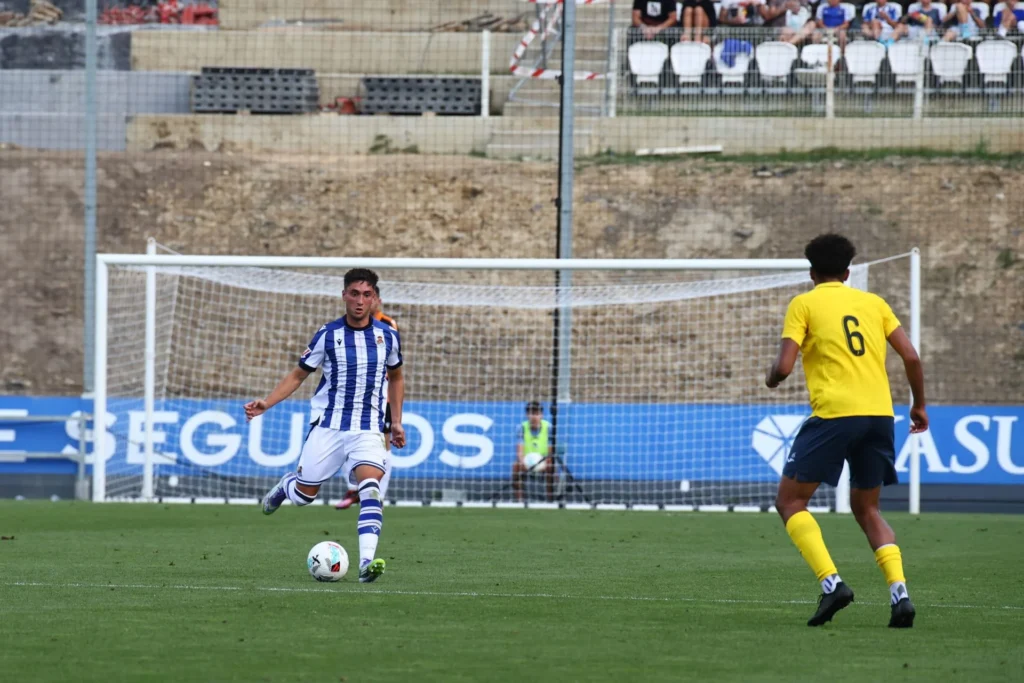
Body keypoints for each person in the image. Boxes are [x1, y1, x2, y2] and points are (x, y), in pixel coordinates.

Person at [765, 234, 928, 628]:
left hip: (835, 416)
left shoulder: (804, 303)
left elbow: (785, 367)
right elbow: (910, 355)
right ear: (849, 271)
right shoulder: (874, 303)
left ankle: (832, 584)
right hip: (879, 416)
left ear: (812, 273)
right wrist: (919, 405)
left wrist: (771, 378)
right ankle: (899, 593)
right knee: (867, 507)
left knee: (790, 502)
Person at [245, 268, 405, 584]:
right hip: (328, 427)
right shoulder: (328, 335)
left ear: (375, 299)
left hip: (368, 429)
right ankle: (286, 486)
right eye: (354, 294)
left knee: (370, 489)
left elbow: (397, 377)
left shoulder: (388, 336)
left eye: (366, 294)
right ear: (344, 295)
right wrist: (267, 402)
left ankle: (365, 564)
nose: (360, 301)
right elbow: (298, 375)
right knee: (305, 496)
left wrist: (396, 421)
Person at [336, 284, 400, 510]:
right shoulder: (346, 325)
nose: (365, 302)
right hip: (351, 393)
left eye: (369, 297)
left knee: (384, 442)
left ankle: (376, 495)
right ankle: (353, 490)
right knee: (345, 437)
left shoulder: (387, 325)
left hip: (379, 394)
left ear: (377, 301)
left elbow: (392, 364)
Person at [511, 401, 556, 502]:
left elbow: (550, 451)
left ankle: (551, 500)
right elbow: (519, 450)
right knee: (515, 466)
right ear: (527, 415)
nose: (534, 417)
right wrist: (523, 462)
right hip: (527, 461)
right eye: (531, 413)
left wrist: (543, 462)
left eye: (537, 414)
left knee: (552, 466)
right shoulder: (522, 427)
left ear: (541, 415)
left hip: (543, 460)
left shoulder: (548, 427)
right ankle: (519, 501)